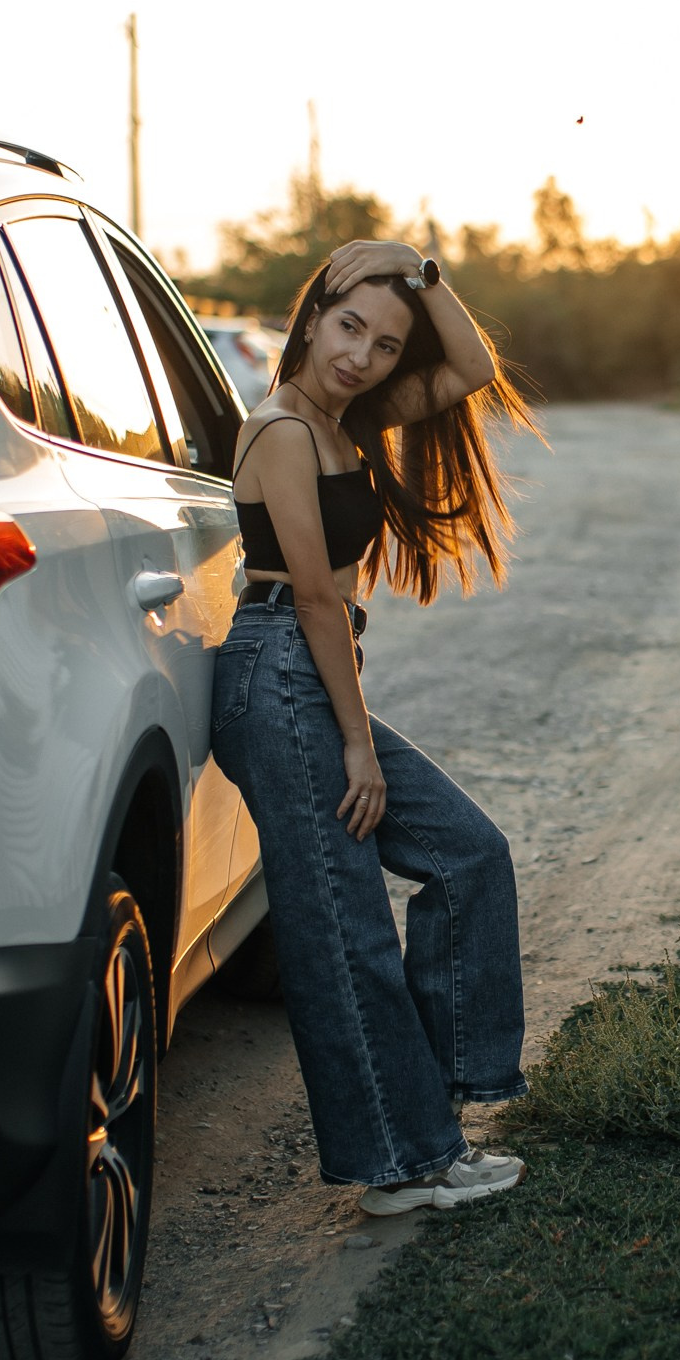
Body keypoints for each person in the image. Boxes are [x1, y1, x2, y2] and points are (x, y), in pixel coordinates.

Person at [212, 240, 538, 1217]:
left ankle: (434, 1109)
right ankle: (405, 1164)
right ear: (310, 318)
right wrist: (358, 743)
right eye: (348, 326)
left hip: (309, 672)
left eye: (386, 344)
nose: (361, 354)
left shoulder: (346, 422)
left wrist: (425, 276)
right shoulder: (280, 431)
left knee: (470, 853)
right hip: (284, 673)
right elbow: (313, 596)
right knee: (346, 932)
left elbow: (474, 370)